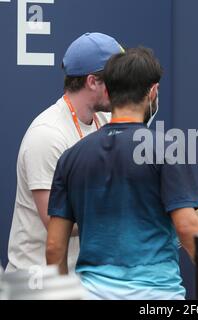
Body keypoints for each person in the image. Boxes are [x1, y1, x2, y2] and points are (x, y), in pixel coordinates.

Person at [45, 47, 198, 300]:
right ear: (153, 91)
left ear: (108, 92)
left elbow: (54, 247)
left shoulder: (71, 157)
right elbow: (188, 228)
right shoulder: (167, 150)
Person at [6, 32, 125, 272]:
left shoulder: (106, 120)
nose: (125, 86)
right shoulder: (47, 135)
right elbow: (55, 222)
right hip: (37, 284)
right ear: (92, 81)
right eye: (118, 79)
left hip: (84, 279)